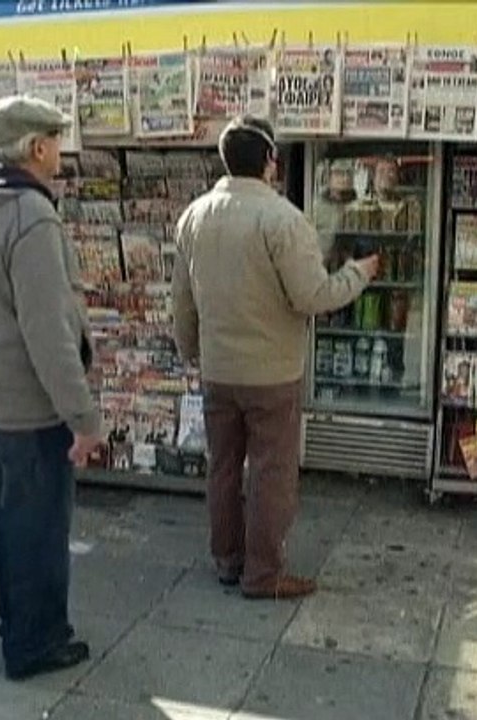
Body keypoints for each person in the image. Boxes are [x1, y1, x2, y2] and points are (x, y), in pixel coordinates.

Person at [172, 115, 379, 600]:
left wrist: (191, 353)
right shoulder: (283, 219)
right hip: (272, 375)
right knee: (271, 474)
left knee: (222, 468)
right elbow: (313, 296)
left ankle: (227, 560)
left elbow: (182, 301)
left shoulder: (194, 216)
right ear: (270, 161)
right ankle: (263, 574)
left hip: (218, 371)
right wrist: (359, 273)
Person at [0, 95, 102, 680]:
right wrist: (83, 419)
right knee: (39, 528)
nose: (61, 149)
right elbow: (49, 334)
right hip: (29, 406)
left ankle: (16, 621)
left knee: (8, 521)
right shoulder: (31, 216)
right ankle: (36, 645)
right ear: (36, 147)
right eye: (56, 139)